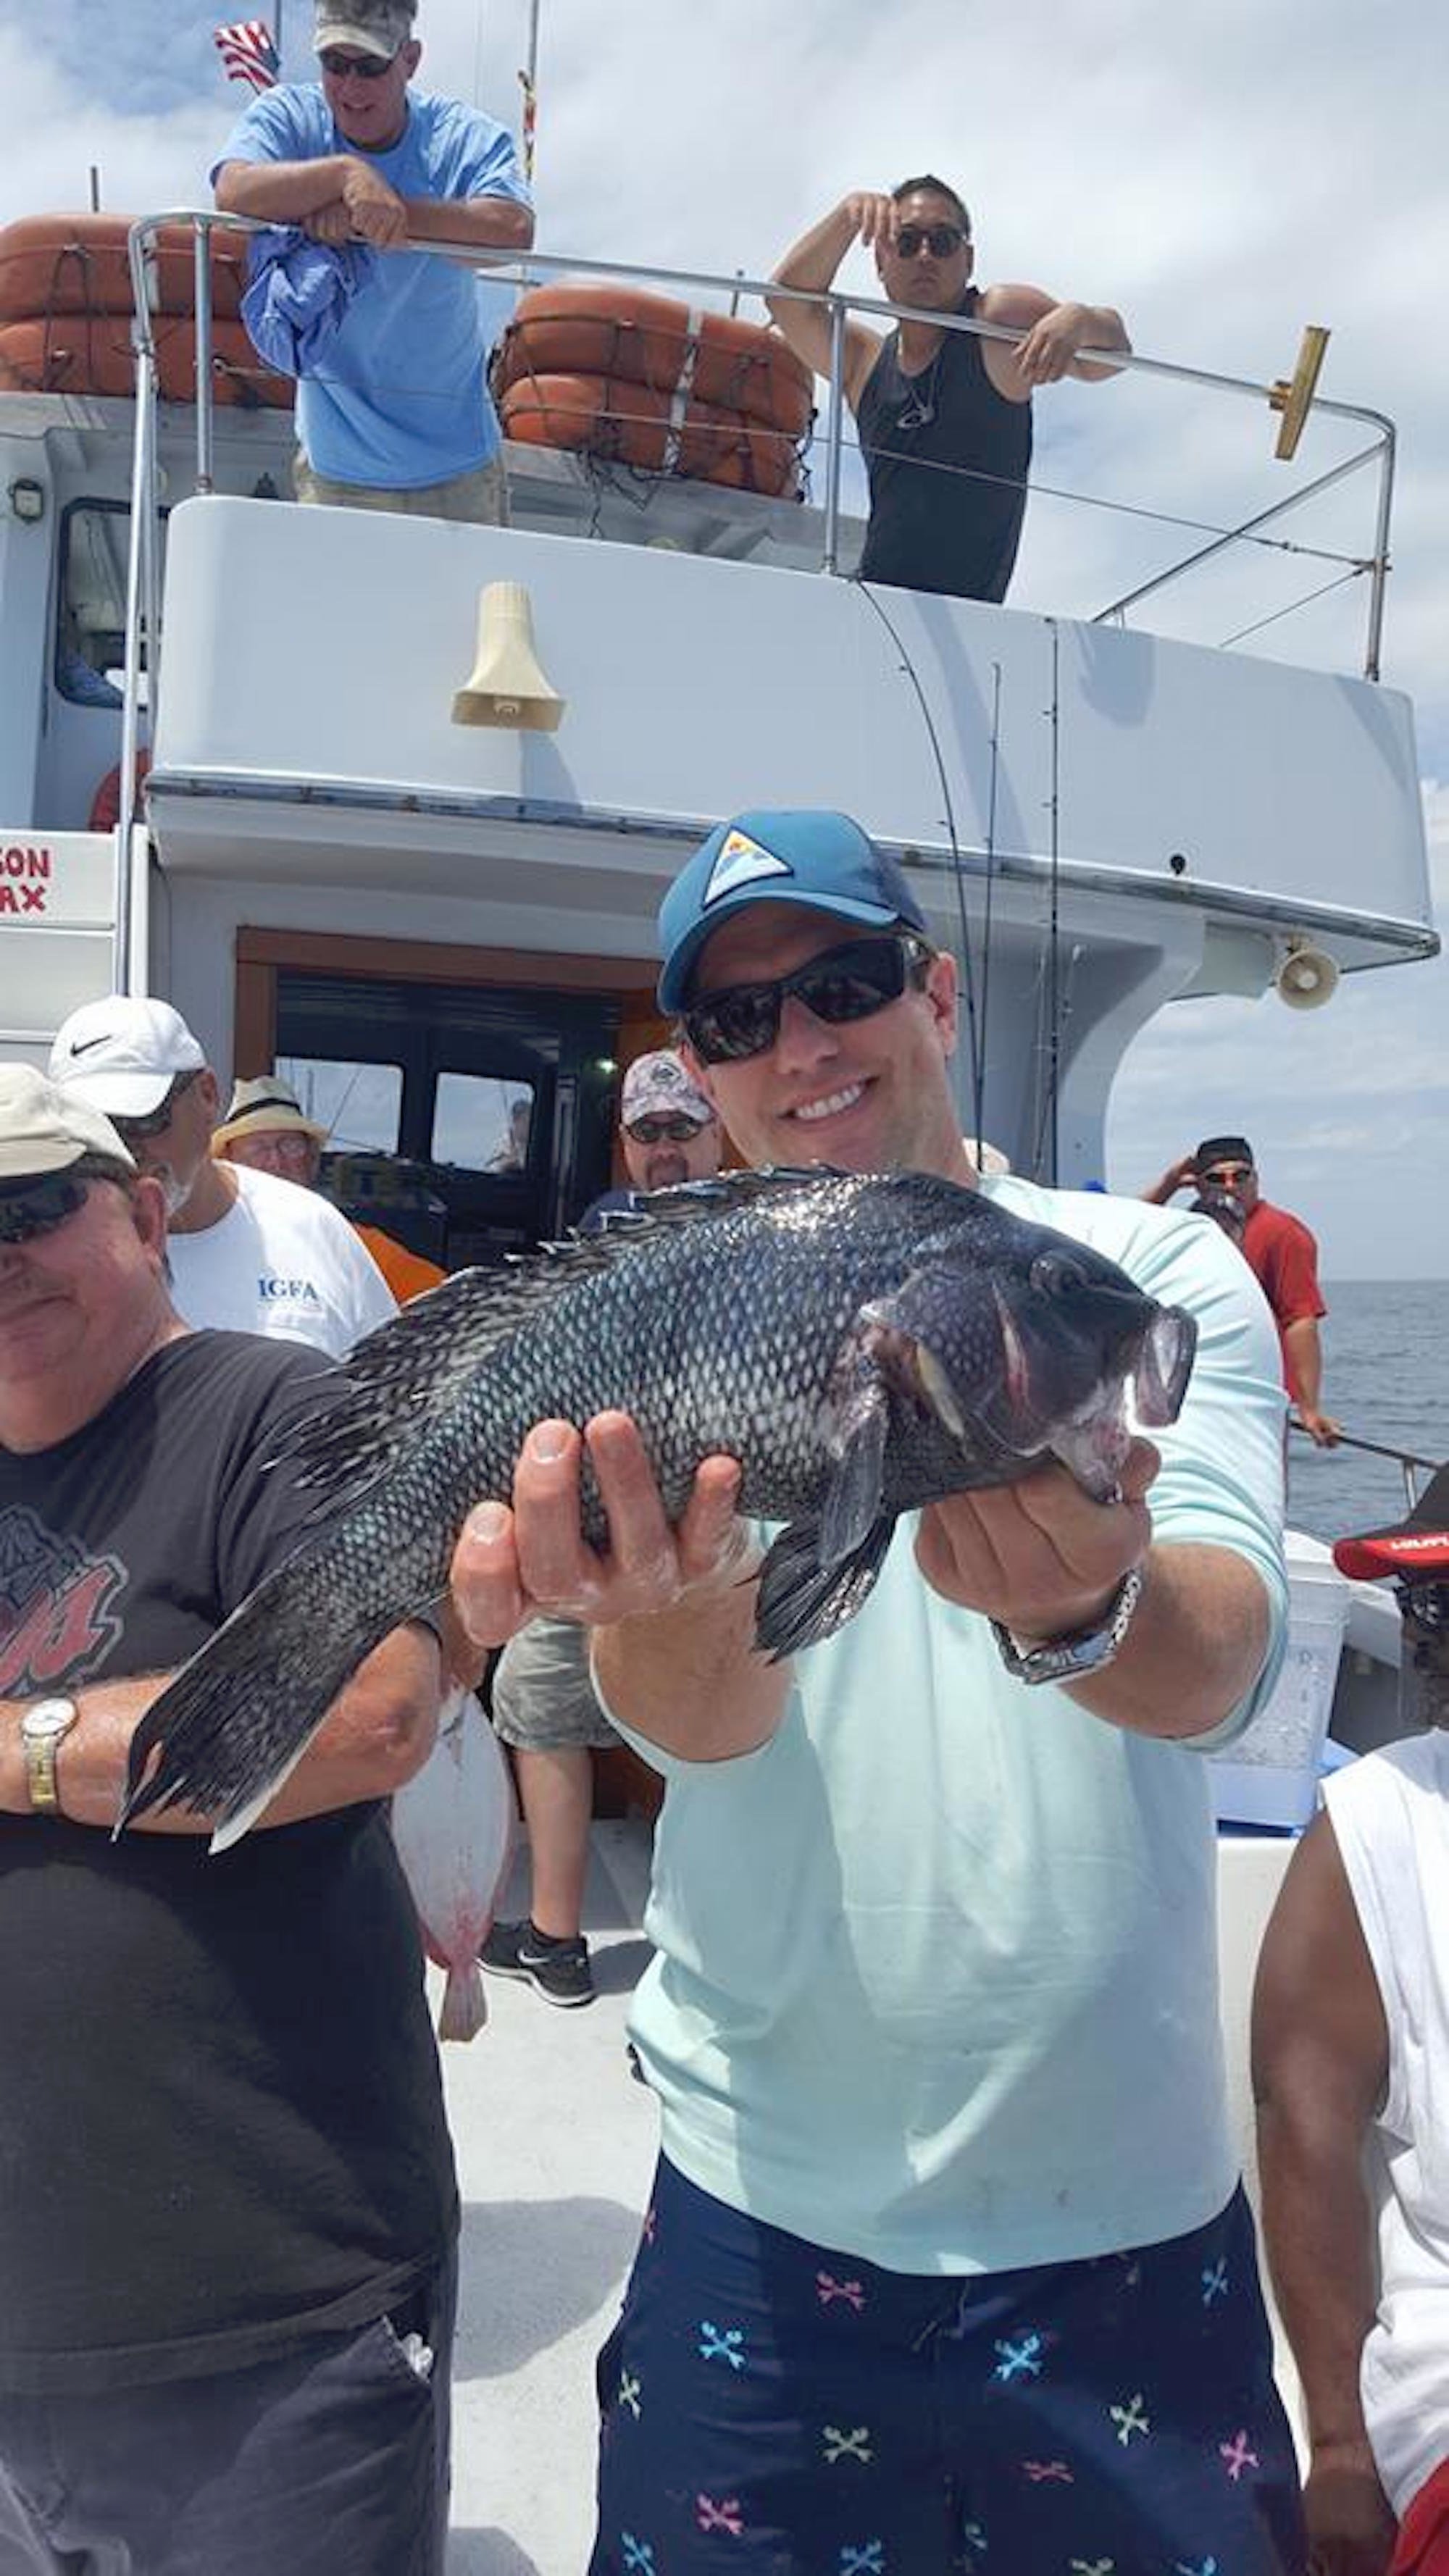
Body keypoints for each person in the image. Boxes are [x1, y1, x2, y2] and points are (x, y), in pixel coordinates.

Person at [444, 807, 1306, 2573]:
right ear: (698, 1069)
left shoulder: (1134, 1269)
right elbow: (694, 1726)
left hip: (1122, 2214)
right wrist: (659, 1592)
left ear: (936, 994)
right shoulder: (696, 1292)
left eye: (841, 984)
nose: (799, 1045)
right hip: (759, 2210)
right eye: (736, 1020)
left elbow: (1222, 1660)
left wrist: (1086, 1608)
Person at [0, 1064, 460, 2575]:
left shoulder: (280, 1410)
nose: (2, 1255)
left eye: (30, 1207)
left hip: (266, 2331)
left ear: (146, 1215)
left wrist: (21, 1747)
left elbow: (370, 1708)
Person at [482, 1049, 723, 2007]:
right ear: (624, 1144)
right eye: (646, 1131)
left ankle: (698, 1964)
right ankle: (556, 1938)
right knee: (537, 1706)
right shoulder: (600, 1230)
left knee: (709, 1728)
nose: (665, 1148)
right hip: (589, 1527)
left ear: (717, 1131)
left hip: (714, 1545)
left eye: (682, 1128)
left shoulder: (751, 1231)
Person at [1253, 1465, 1449, 2576]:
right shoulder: (1381, 1820)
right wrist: (1337, 2447)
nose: (1423, 1638)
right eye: (1424, 1605)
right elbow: (1304, 2116)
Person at [212, 0, 533, 519]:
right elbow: (233, 191)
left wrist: (386, 214)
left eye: (370, 66)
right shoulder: (290, 115)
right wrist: (344, 176)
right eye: (334, 64)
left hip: (461, 471)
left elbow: (513, 229)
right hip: (335, 473)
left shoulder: (461, 136)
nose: (350, 86)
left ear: (410, 60)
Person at [766, 177, 1128, 601]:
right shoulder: (864, 362)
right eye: (906, 242)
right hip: (876, 607)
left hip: (972, 615)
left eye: (942, 241)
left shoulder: (996, 322)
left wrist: (1081, 319)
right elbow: (785, 301)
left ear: (967, 259)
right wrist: (847, 217)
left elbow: (1110, 358)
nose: (925, 255)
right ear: (881, 260)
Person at [49, 995, 397, 1352]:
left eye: (144, 1122)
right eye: (96, 1130)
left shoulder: (313, 1227)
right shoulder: (48, 1256)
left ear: (208, 1096)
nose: (124, 1150)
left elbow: (390, 1376)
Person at [1145, 1134, 1341, 1445]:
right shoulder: (1188, 1230)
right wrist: (1169, 1184)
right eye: (1216, 1178)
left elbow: (1300, 1319)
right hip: (1191, 1392)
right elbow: (1127, 1229)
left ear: (1256, 1179)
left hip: (1253, 1395)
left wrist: (1309, 1408)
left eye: (1240, 1176)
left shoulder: (1285, 1233)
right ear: (1198, 1185)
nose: (1230, 1185)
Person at [212, 1071, 448, 1302]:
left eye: (290, 1145)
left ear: (313, 1161)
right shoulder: (202, 1242)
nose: (276, 1161)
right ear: (229, 1164)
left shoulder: (357, 1247)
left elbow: (443, 1304)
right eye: (257, 1148)